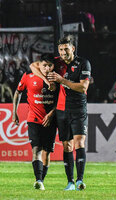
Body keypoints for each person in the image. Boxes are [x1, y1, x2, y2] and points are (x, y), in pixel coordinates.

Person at [30, 35, 91, 191]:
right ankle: (70, 182)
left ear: (73, 48)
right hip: (62, 110)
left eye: (66, 49)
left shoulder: (83, 63)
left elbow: (83, 87)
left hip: (78, 108)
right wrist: (46, 80)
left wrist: (61, 80)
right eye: (61, 49)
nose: (64, 52)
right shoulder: (57, 61)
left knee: (79, 142)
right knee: (67, 145)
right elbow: (33, 66)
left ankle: (80, 180)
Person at [12, 54, 58, 190]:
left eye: (50, 65)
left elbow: (62, 99)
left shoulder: (57, 78)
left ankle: (41, 180)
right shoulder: (29, 75)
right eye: (45, 65)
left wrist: (51, 114)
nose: (47, 68)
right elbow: (18, 92)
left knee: (47, 152)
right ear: (39, 65)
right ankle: (38, 180)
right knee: (36, 149)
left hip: (50, 120)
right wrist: (14, 111)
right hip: (34, 119)